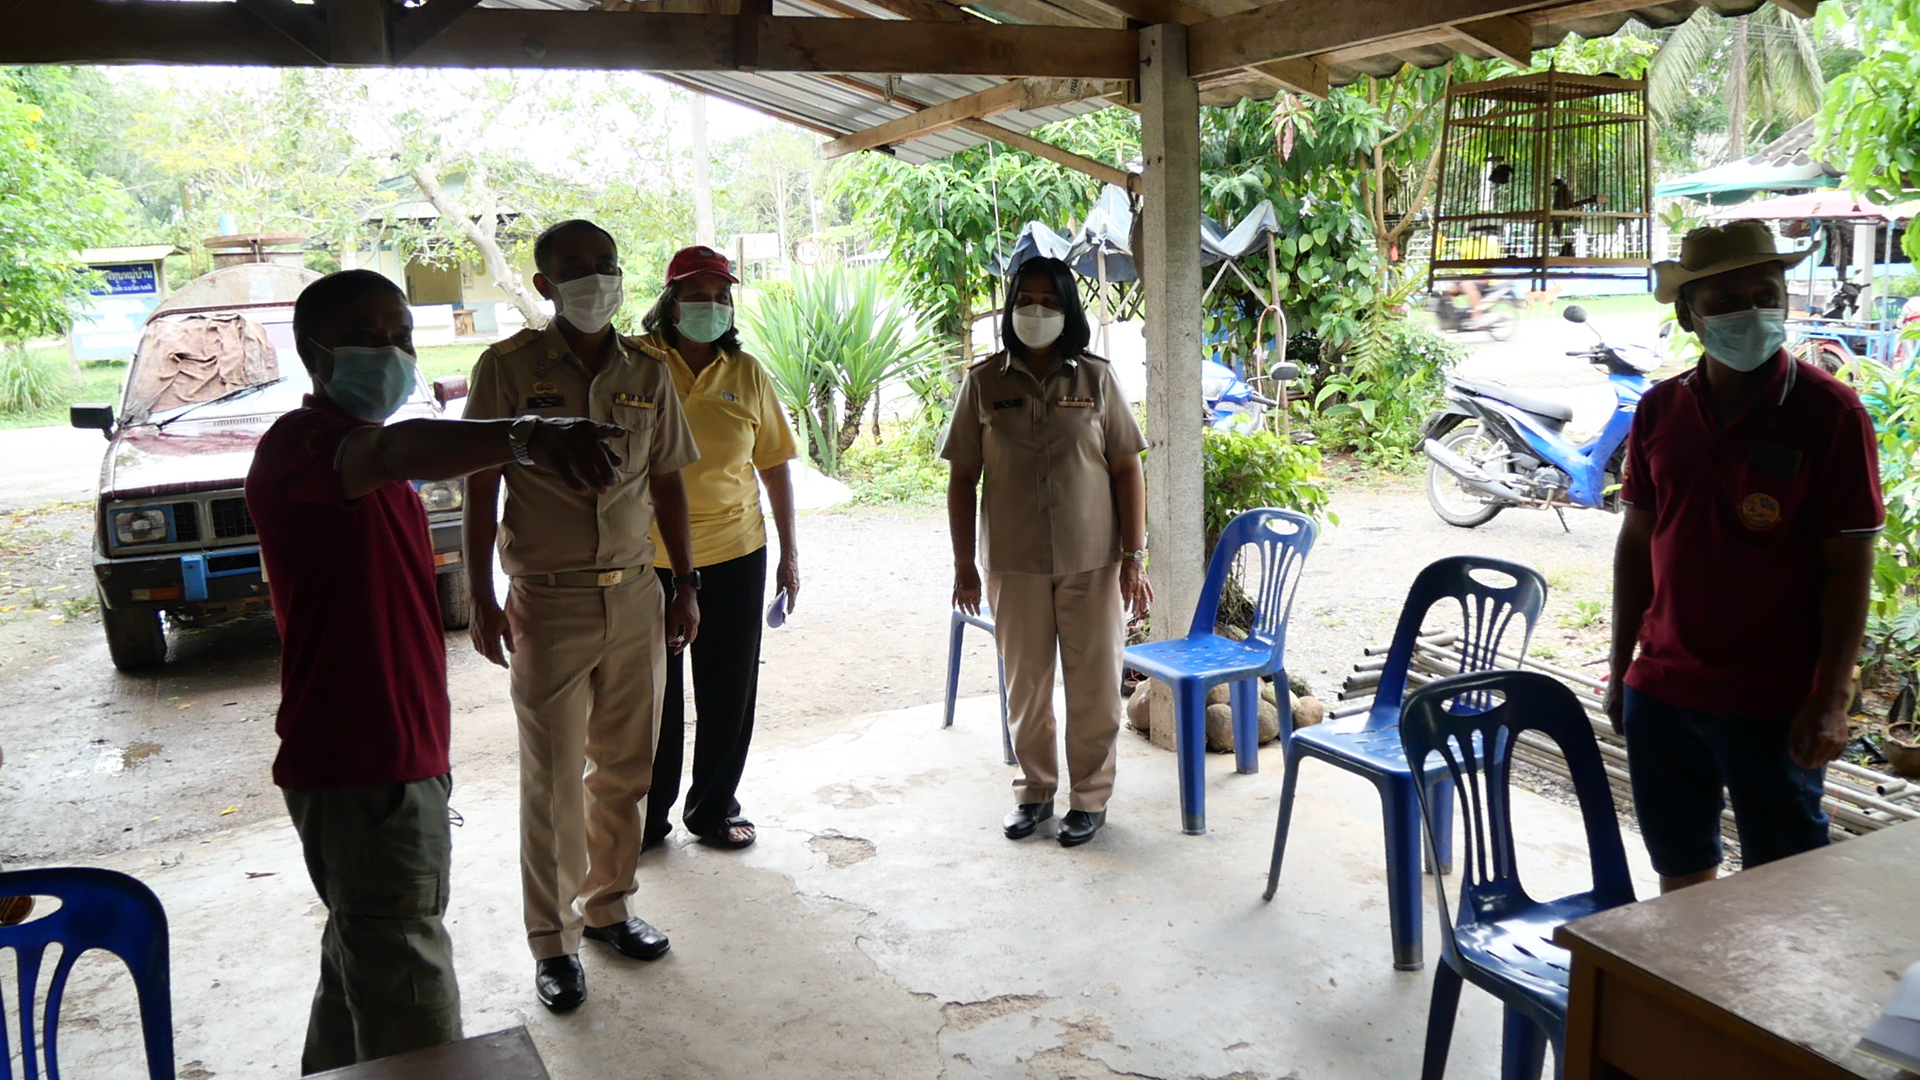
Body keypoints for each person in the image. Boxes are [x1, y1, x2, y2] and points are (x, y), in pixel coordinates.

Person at [246, 269, 625, 1072]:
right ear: (314, 352)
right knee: (407, 989)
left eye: (403, 337)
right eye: (367, 339)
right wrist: (527, 434)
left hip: (396, 758)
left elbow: (397, 454)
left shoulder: (372, 473)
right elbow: (395, 446)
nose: (392, 354)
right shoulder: (305, 446)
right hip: (364, 763)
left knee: (364, 957)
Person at [463, 219, 702, 1012]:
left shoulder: (648, 371)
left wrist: (687, 583)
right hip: (548, 597)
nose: (596, 279)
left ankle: (608, 908)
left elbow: (667, 481)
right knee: (554, 780)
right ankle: (553, 942)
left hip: (636, 593)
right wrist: (480, 595)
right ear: (544, 284)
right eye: (576, 267)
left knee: (627, 768)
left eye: (606, 264)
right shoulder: (507, 369)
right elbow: (479, 484)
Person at [1606, 221, 1884, 894]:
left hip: (1775, 703)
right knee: (1681, 875)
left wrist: (1831, 698)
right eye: (1726, 301)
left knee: (1782, 887)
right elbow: (1637, 544)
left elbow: (1850, 568)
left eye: (1765, 295)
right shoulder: (1660, 409)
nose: (1751, 313)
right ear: (1689, 316)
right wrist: (1621, 670)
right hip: (1663, 692)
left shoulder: (1831, 413)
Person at [941, 255, 1151, 848]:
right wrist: (963, 565)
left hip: (1093, 560)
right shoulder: (984, 383)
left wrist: (1133, 556)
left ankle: (1090, 798)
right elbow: (962, 478)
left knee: (1095, 687)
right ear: (1010, 308)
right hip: (1014, 563)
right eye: (1026, 300)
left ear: (1068, 309)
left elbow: (1126, 468)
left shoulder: (1096, 379)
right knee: (1026, 687)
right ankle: (1034, 791)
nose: (1036, 311)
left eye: (1050, 301)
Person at [634, 245, 799, 851]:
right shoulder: (636, 362)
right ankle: (646, 816)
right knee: (653, 693)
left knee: (728, 689)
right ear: (670, 303)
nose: (710, 306)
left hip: (736, 551)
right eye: (697, 295)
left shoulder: (746, 372)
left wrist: (789, 555)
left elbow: (774, 466)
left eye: (720, 296)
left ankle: (712, 809)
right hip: (648, 557)